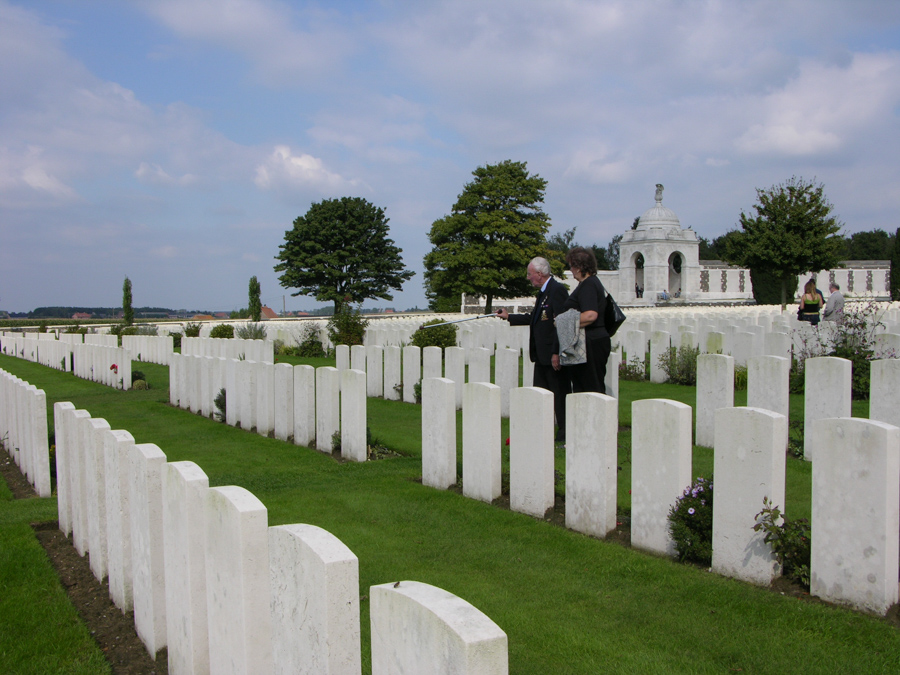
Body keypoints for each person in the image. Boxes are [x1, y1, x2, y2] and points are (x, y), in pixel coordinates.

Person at [496, 257, 570, 441]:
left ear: (539, 274)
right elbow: (535, 318)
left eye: (530, 274)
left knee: (559, 396)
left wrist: (556, 352)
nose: (528, 278)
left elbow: (561, 323)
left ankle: (564, 434)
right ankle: (540, 432)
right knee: (540, 395)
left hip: (552, 355)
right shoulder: (543, 293)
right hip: (541, 356)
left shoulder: (557, 291)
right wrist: (508, 317)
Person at [561, 246, 611, 395]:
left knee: (592, 388)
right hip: (590, 341)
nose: (570, 270)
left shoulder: (589, 285)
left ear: (578, 267)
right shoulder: (589, 283)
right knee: (582, 388)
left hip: (591, 343)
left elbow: (590, 315)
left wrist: (562, 322)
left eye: (571, 265)